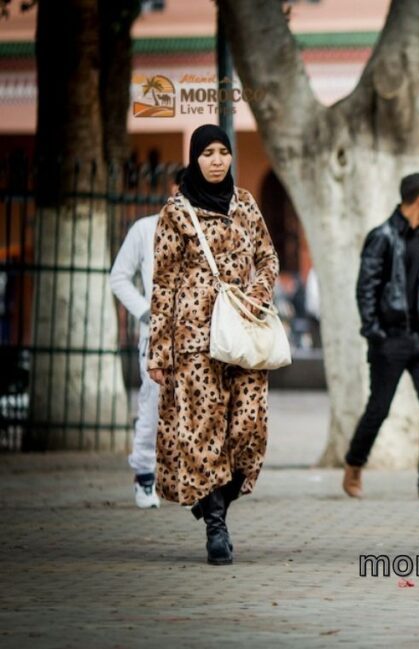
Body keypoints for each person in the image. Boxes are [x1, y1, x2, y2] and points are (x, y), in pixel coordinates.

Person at [147, 124, 280, 566]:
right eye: (208, 153)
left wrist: (258, 294)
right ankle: (216, 528)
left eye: (223, 151)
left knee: (248, 429)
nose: (217, 160)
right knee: (204, 436)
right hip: (194, 339)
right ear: (194, 158)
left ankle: (212, 499)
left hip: (242, 332)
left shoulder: (246, 203)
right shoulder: (176, 212)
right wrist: (158, 352)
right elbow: (163, 284)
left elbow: (268, 256)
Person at [342, 173, 419, 500]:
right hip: (390, 339)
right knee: (379, 408)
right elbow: (366, 288)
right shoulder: (382, 236)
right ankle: (354, 464)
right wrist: (374, 333)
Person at [109, 167, 184, 509]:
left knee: (196, 410)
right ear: (173, 188)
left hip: (199, 337)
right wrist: (146, 313)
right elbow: (119, 278)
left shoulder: (209, 231)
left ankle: (189, 481)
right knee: (153, 407)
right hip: (155, 337)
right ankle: (144, 476)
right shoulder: (145, 229)